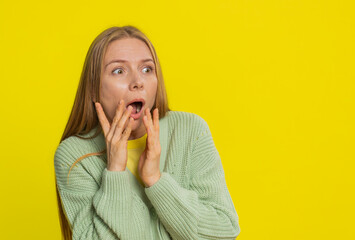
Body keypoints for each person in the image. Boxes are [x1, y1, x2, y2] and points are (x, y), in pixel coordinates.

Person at [54, 25, 240, 240]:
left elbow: (224, 232)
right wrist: (115, 172)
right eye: (119, 71)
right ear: (94, 87)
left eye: (146, 69)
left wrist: (156, 180)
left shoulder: (190, 130)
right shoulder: (74, 155)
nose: (137, 82)